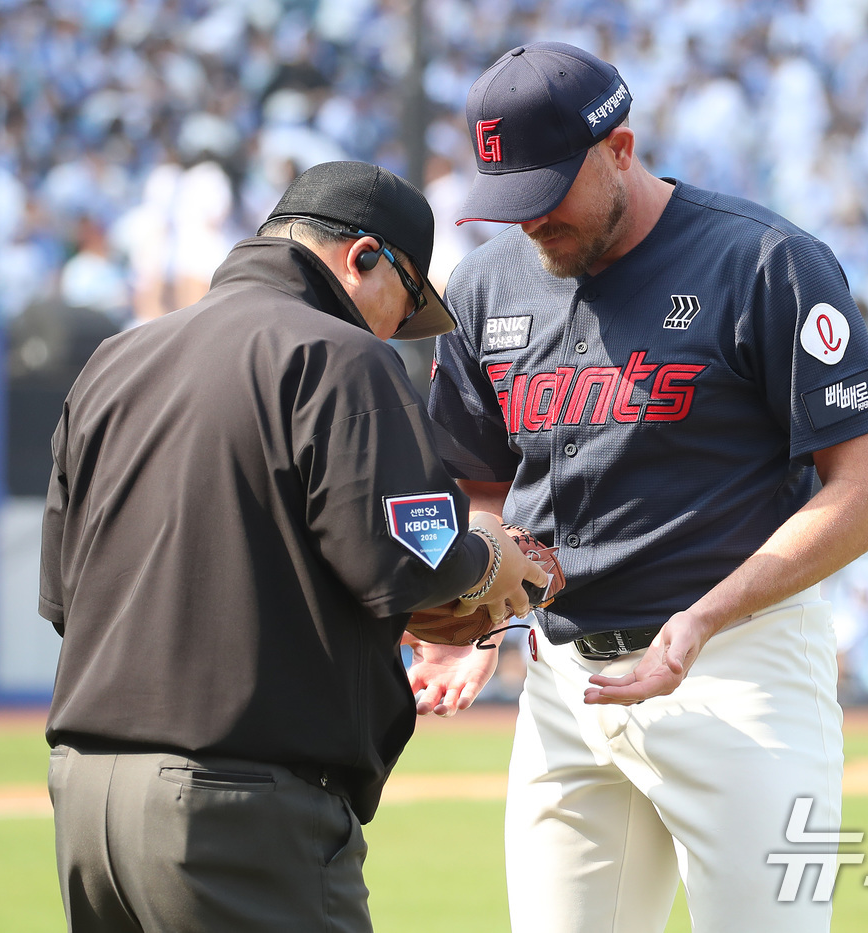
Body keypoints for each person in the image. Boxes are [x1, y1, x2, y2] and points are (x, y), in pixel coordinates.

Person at [410, 43, 868, 933]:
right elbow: (483, 482)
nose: (530, 222)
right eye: (509, 197)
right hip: (564, 684)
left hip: (738, 669)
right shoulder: (485, 284)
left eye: (546, 193)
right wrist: (478, 607)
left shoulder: (763, 262)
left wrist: (705, 618)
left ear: (621, 149)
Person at [39, 160, 547, 933]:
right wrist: (489, 560)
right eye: (404, 302)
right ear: (364, 256)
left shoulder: (115, 360)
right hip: (236, 809)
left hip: (84, 801)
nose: (391, 329)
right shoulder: (341, 356)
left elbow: (62, 597)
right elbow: (413, 560)